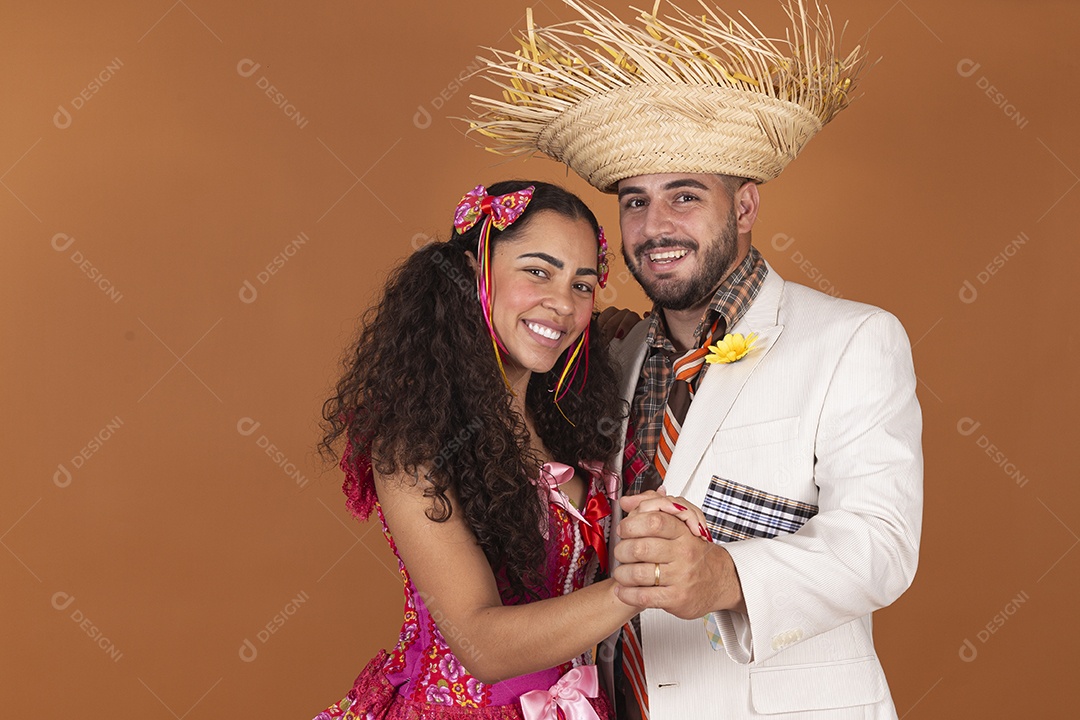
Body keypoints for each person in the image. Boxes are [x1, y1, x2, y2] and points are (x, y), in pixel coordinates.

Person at [466, 2, 923, 719]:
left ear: (744, 207)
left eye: (685, 196)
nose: (656, 228)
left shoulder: (853, 339)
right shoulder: (609, 354)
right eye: (636, 202)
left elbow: (882, 545)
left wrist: (725, 575)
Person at [311, 180, 709, 720]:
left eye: (582, 284)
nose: (563, 305)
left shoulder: (569, 416)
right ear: (473, 272)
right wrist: (639, 583)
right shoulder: (414, 441)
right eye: (538, 272)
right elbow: (482, 645)